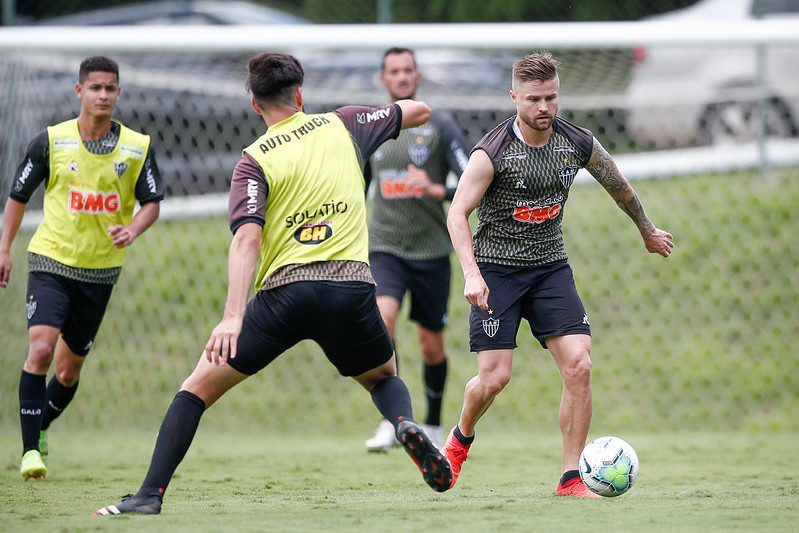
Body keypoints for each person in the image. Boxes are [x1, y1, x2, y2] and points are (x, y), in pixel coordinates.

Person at [93, 52, 452, 516]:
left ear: (255, 105)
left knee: (195, 390)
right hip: (350, 287)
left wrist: (232, 317)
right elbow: (418, 111)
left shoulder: (253, 161)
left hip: (287, 294)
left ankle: (148, 496)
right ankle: (406, 423)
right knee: (384, 376)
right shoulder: (345, 123)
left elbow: (247, 239)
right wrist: (387, 116)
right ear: (299, 94)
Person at [441, 52, 674, 496]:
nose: (544, 107)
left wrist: (646, 229)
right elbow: (456, 215)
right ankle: (460, 439)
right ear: (514, 97)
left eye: (551, 97)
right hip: (497, 272)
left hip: (549, 268)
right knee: (494, 378)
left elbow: (617, 183)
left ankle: (571, 478)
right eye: (533, 99)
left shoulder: (576, 142)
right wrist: (472, 274)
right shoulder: (491, 153)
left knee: (580, 366)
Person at [0, 56, 164, 482]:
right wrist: (4, 249)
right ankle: (30, 450)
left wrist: (133, 229)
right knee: (40, 350)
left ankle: (43, 427)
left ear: (119, 93)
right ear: (79, 92)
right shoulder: (50, 142)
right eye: (95, 88)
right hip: (50, 262)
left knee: (68, 372)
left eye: (110, 88)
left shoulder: (136, 147)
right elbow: (17, 198)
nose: (103, 95)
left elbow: (152, 205)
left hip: (100, 274)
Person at [364, 47, 470, 452]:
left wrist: (435, 189)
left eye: (408, 70)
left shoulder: (440, 126)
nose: (402, 76)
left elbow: (474, 180)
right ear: (383, 79)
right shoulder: (371, 127)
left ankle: (432, 425)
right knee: (382, 323)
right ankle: (393, 422)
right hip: (385, 247)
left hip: (431, 251)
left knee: (431, 345)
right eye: (394, 70)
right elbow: (354, 185)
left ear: (417, 76)